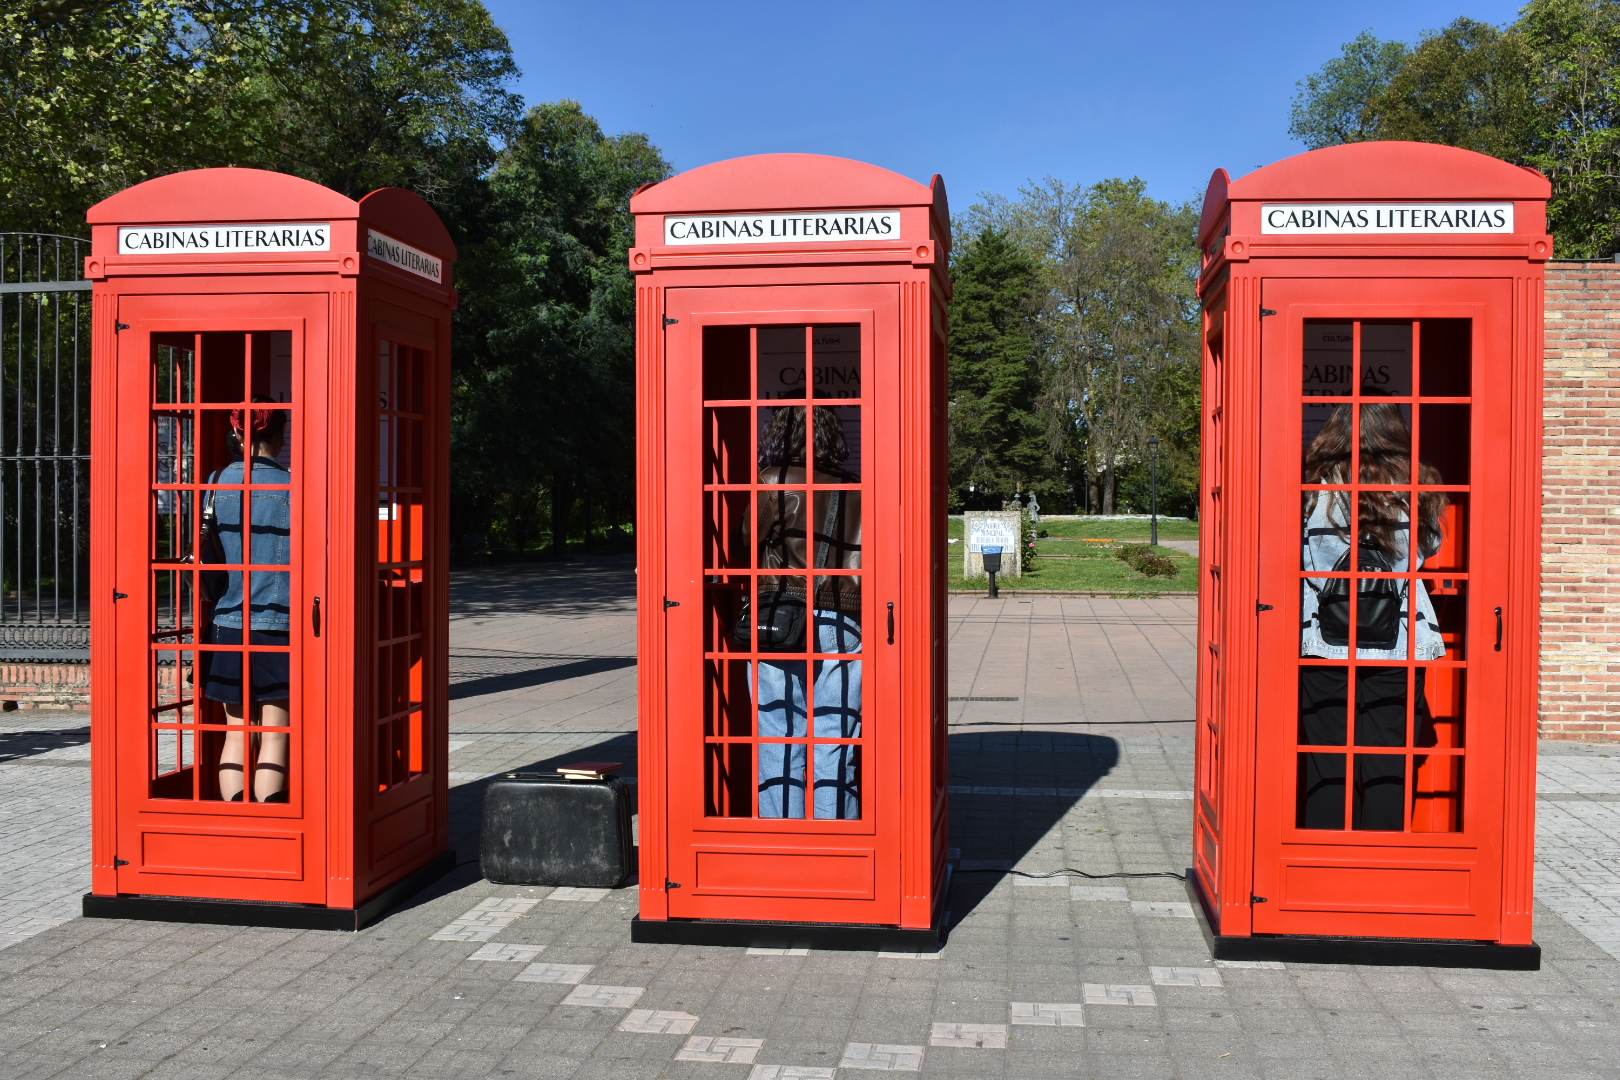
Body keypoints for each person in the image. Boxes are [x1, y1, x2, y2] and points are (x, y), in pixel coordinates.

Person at [1298, 402, 1447, 830]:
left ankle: (1323, 864)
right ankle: (1382, 863)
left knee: (1327, 760)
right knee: (1386, 762)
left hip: (1325, 638)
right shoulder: (1418, 485)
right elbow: (1430, 547)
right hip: (1399, 638)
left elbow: (1296, 549)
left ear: (1335, 432)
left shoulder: (1314, 487)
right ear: (1396, 432)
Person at [747, 405, 863, 819]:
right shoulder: (858, 487)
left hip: (781, 618)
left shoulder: (772, 480)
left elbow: (744, 540)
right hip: (843, 620)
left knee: (780, 737)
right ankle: (837, 844)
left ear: (780, 432)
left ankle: (783, 839)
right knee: (836, 741)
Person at [202, 400, 293, 803]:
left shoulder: (214, 483)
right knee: (274, 735)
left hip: (227, 622)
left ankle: (236, 822)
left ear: (237, 435)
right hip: (279, 624)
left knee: (235, 735)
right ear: (280, 437)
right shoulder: (294, 487)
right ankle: (270, 824)